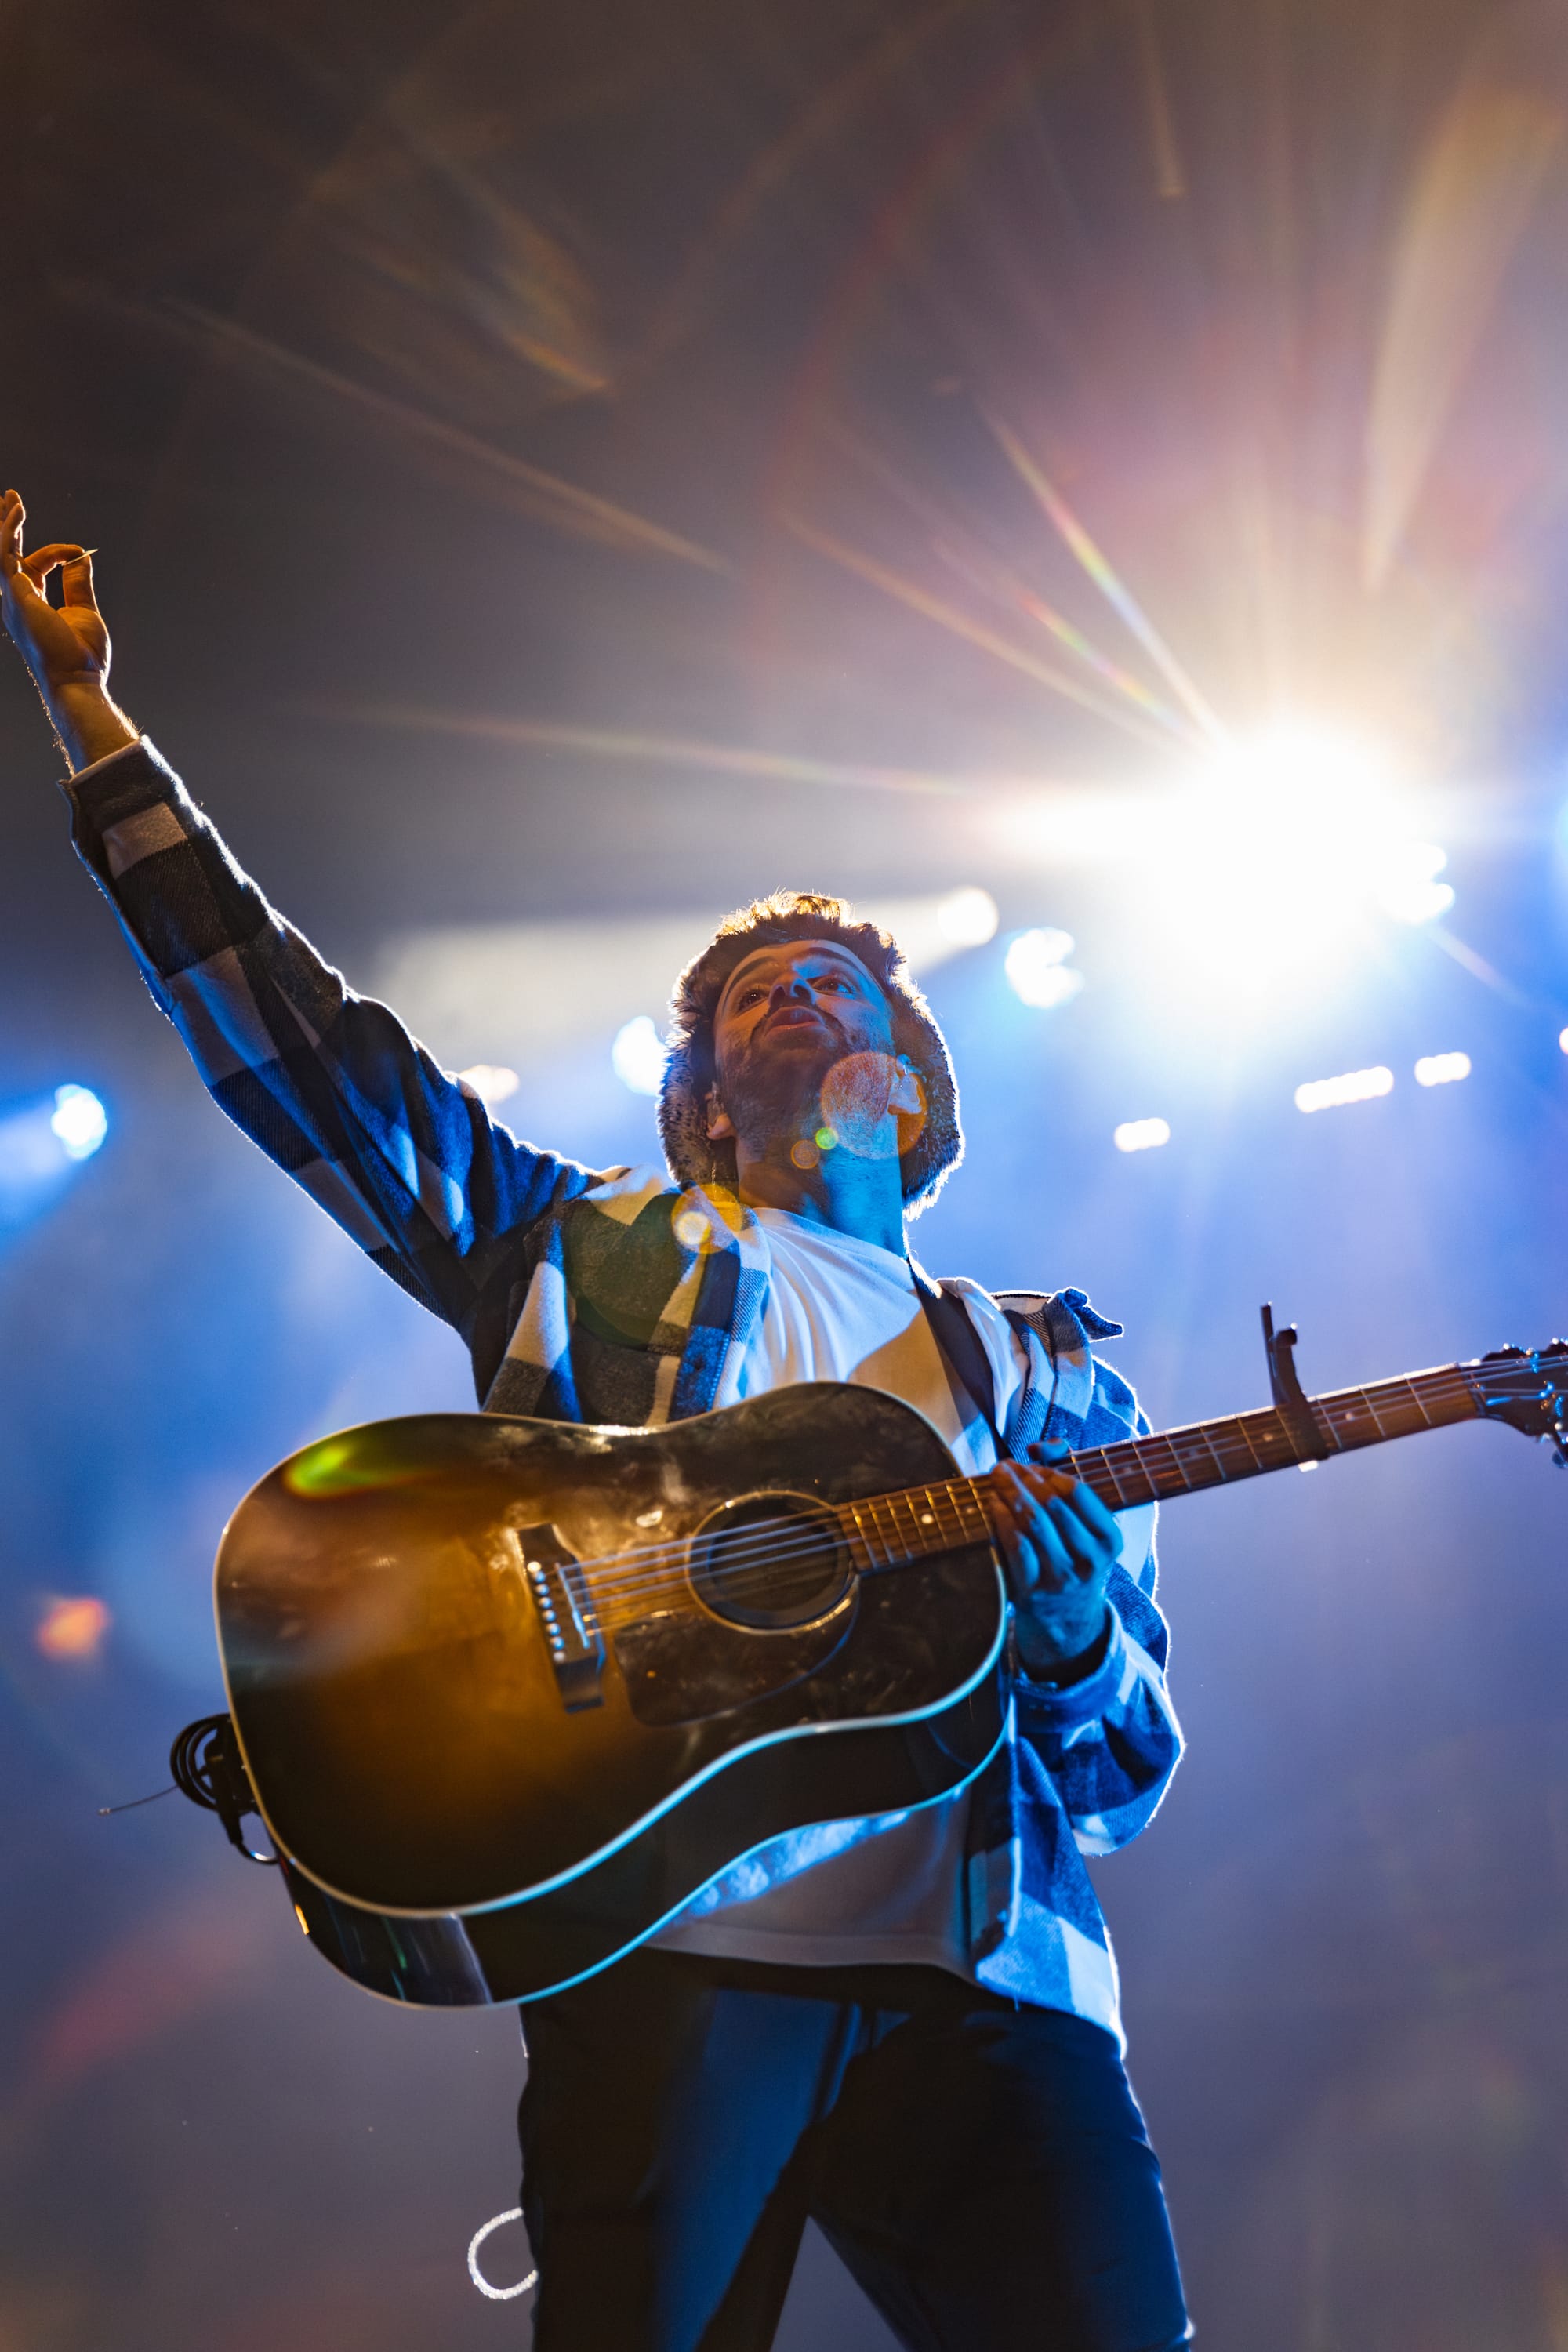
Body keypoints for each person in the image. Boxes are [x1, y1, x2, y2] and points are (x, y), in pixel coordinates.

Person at [2, 487, 1191, 2352]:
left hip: (1000, 1992)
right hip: (663, 1962)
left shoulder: (1049, 1372)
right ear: (704, 1092)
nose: (802, 997)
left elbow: (1125, 1775)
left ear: (913, 1077)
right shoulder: (571, 1252)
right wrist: (99, 735)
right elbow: (303, 1056)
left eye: (840, 982)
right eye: (753, 997)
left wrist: (1061, 1632)